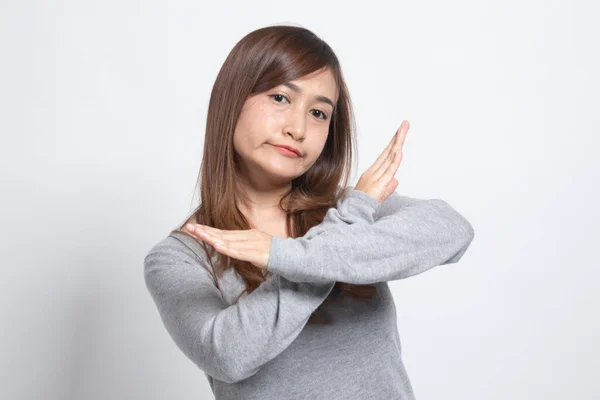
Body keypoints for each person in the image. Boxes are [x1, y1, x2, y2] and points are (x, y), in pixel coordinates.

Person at [143, 24, 475, 400]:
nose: (298, 128)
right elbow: (227, 355)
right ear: (232, 99)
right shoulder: (180, 256)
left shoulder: (348, 208)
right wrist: (327, 245)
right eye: (281, 98)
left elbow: (452, 232)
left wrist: (285, 254)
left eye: (318, 113)